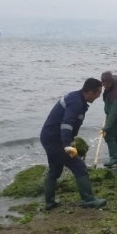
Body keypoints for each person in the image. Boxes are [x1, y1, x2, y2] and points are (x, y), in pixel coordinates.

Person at [40, 78, 107, 210]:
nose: (99, 96)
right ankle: (88, 200)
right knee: (80, 167)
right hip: (55, 140)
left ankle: (49, 202)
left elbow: (71, 125)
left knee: (55, 169)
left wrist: (71, 141)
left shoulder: (78, 99)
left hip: (49, 137)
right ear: (90, 92)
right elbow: (67, 123)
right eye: (98, 93)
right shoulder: (76, 102)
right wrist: (67, 145)